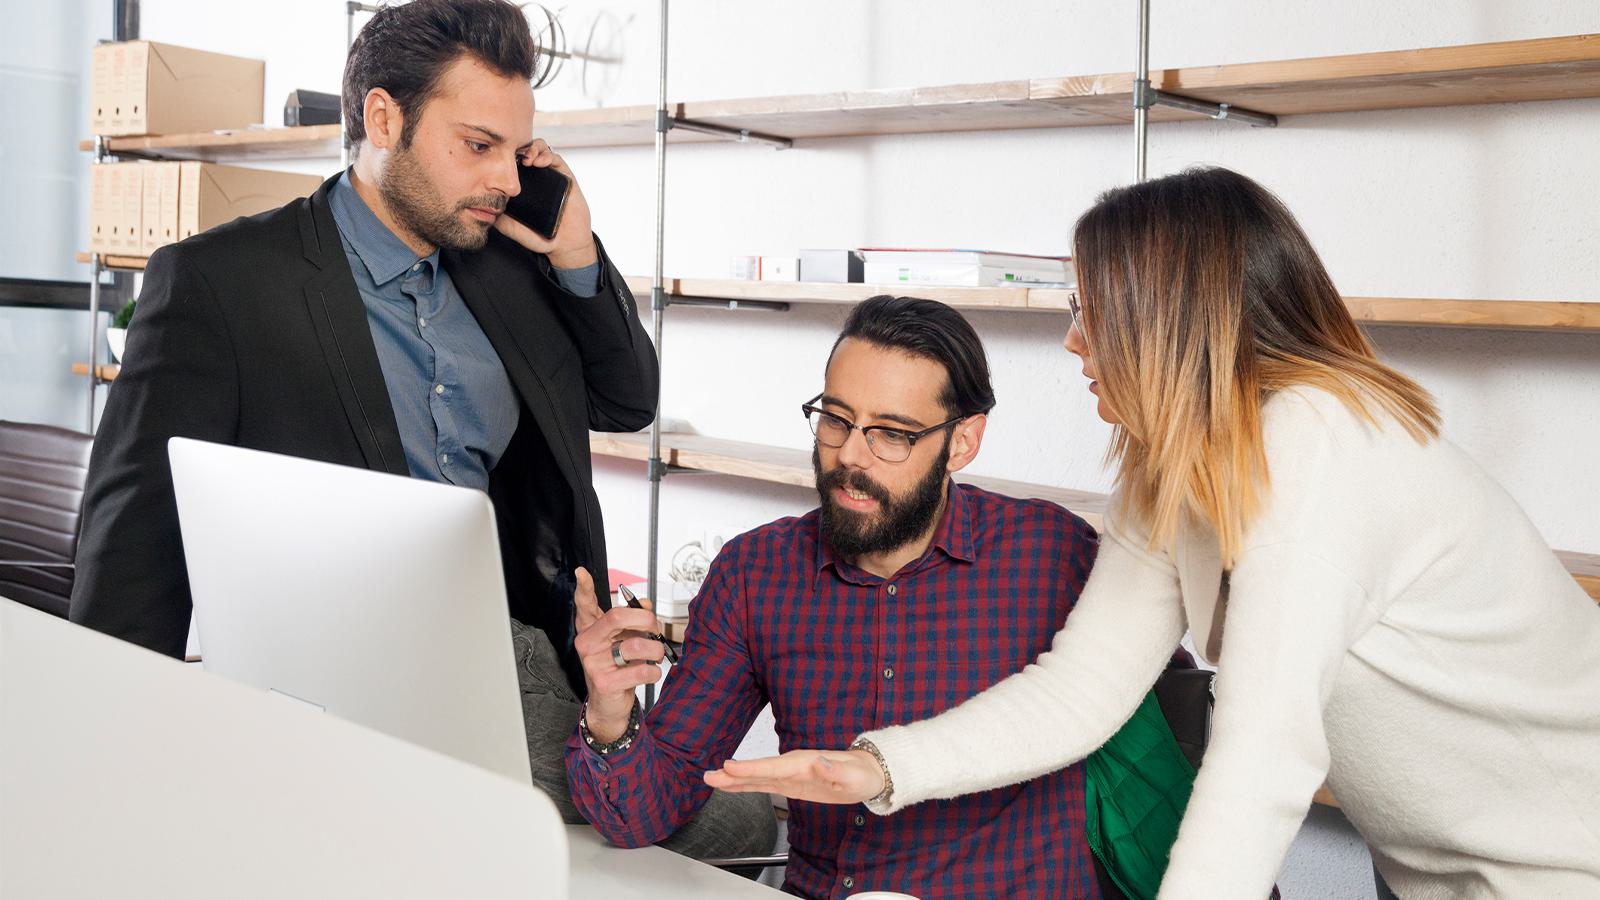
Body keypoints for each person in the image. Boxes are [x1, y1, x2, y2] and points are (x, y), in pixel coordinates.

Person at [706, 168, 1600, 898]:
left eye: (1092, 311)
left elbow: (1264, 757)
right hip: (1433, 871)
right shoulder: (1174, 459)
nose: (1073, 342)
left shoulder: (1318, 443)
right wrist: (880, 767)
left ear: (1164, 319)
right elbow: (1081, 688)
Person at [70, 0, 771, 863]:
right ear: (382, 118)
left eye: (518, 152)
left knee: (736, 817)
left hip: (517, 657)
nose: (508, 181)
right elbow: (132, 546)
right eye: (477, 146)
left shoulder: (509, 263)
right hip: (334, 676)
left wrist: (577, 250)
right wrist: (109, 754)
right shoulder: (223, 283)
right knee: (731, 821)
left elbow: (627, 400)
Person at [566, 295, 1108, 898]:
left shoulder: (1054, 556)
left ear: (961, 443)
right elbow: (643, 813)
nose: (850, 454)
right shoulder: (756, 572)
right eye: (836, 419)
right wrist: (610, 718)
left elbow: (1163, 748)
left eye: (891, 435)